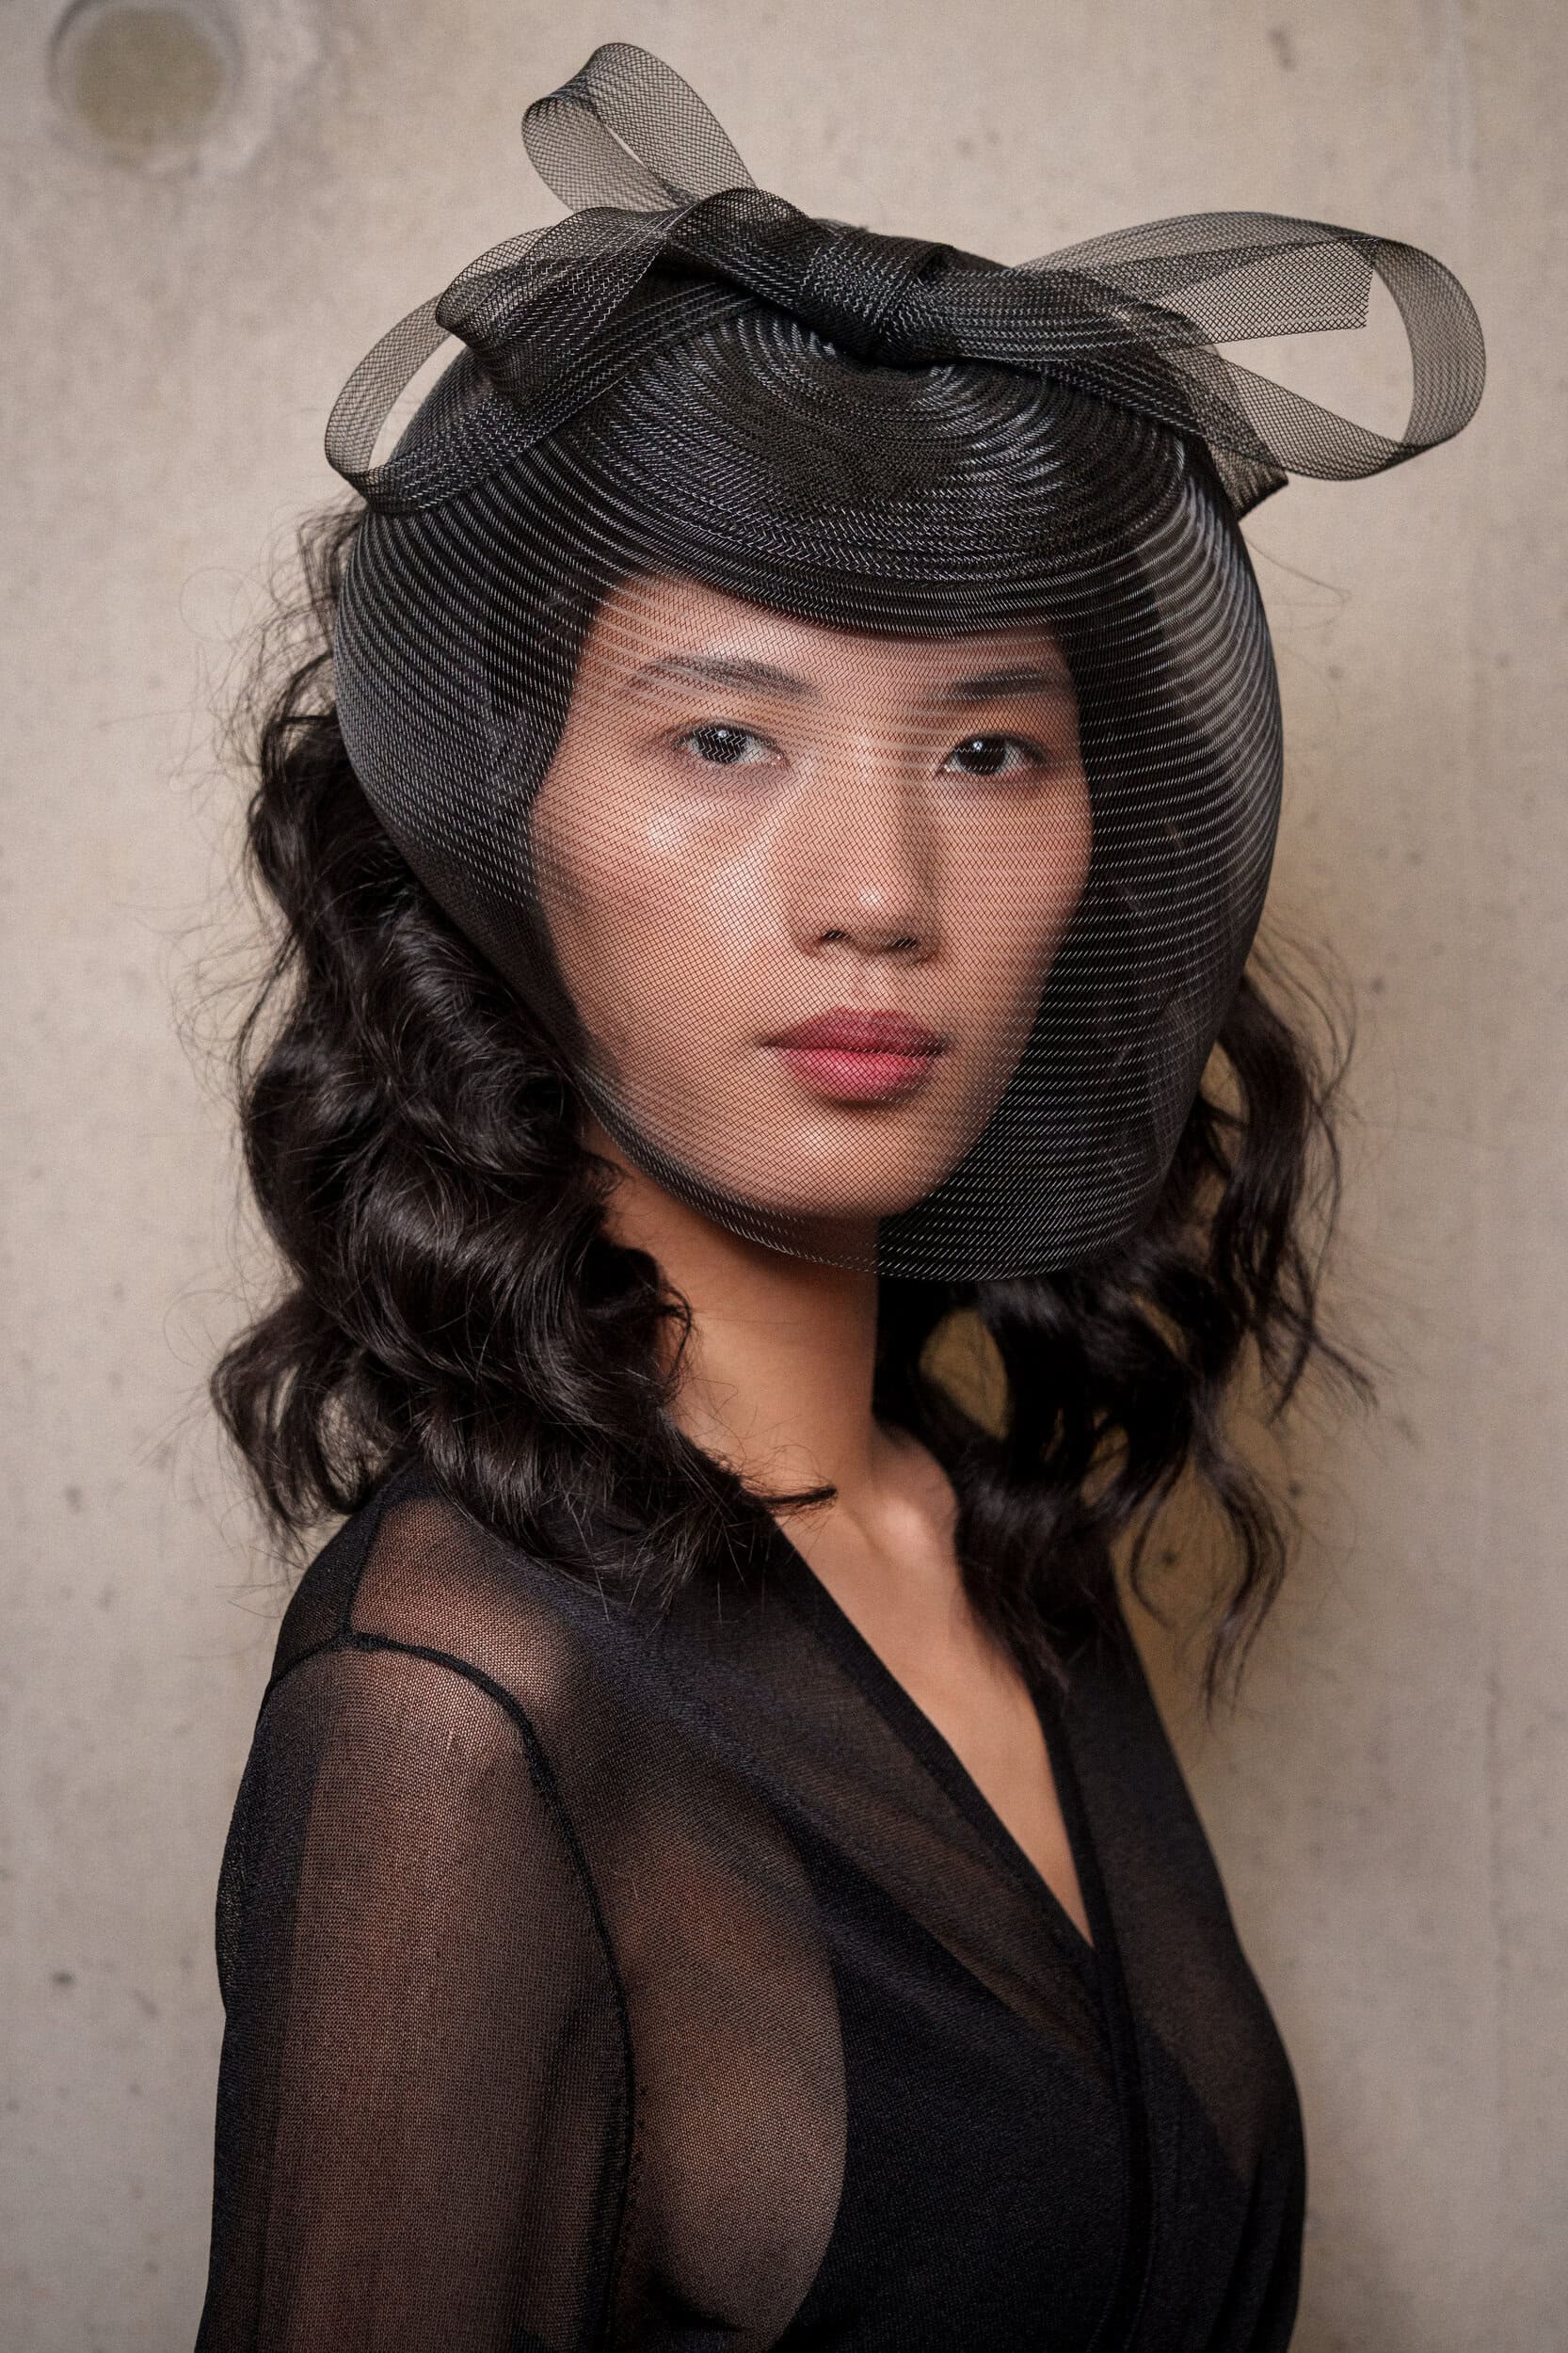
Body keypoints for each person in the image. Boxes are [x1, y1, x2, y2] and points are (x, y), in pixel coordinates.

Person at [194, 43, 1483, 2350]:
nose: (878, 890)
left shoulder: (981, 1536)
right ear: (498, 820)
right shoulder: (456, 1703)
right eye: (724, 735)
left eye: (986, 748)